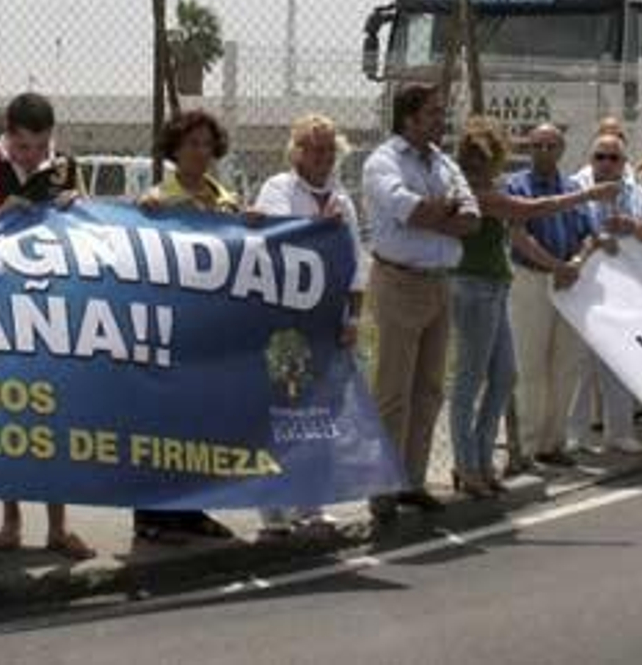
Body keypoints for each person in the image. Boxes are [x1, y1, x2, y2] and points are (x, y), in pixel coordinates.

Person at [0, 92, 93, 562]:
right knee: (9, 419)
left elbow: (85, 233)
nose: (32, 156)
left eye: (40, 146)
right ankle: (10, 521)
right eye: (24, 146)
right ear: (7, 135)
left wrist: (78, 208)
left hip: (51, 307)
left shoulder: (65, 167)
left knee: (55, 419)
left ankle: (58, 526)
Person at [450, 118, 617, 497]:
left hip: (495, 285)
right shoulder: (475, 191)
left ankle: (483, 460)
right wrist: (589, 196)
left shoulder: (491, 186)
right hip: (477, 288)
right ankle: (468, 463)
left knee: (505, 376)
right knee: (471, 381)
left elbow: (581, 230)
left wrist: (574, 260)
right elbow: (530, 211)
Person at [360, 83, 480, 525]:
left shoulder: (444, 163)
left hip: (438, 284)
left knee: (428, 390)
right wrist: (442, 213)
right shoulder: (383, 162)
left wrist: (437, 213)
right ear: (408, 118)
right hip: (399, 282)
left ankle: (412, 481)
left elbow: (472, 219)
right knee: (392, 391)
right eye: (432, 113)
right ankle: (382, 488)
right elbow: (408, 210)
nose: (440, 120)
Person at [250, 113, 366, 537]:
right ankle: (273, 508)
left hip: (329, 319)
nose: (322, 157)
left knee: (320, 412)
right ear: (296, 152)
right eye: (314, 148)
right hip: (284, 319)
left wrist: (354, 317)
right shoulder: (278, 189)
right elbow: (283, 238)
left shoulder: (343, 198)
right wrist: (322, 226)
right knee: (280, 411)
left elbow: (355, 263)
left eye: (329, 150)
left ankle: (310, 504)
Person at [132, 109, 239, 544]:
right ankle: (151, 516)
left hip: (211, 331)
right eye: (191, 143)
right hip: (167, 327)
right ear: (174, 150)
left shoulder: (227, 202)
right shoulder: (156, 200)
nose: (200, 152)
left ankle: (191, 508)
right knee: (161, 424)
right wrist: (145, 215)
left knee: (201, 423)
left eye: (206, 144)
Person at [567, 131, 642, 456]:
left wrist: (632, 227)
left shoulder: (636, 193)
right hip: (584, 284)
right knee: (580, 363)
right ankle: (575, 435)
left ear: (624, 162)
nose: (606, 163)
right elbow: (565, 230)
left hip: (625, 287)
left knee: (620, 360)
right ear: (590, 159)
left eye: (613, 158)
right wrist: (596, 238)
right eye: (600, 156)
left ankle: (619, 433)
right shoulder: (574, 188)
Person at [505, 123, 600, 467]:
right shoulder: (516, 186)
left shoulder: (573, 188)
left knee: (565, 365)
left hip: (569, 283)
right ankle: (528, 447)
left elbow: (590, 235)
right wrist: (555, 266)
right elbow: (518, 235)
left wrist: (575, 263)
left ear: (562, 150)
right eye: (537, 146)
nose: (543, 152)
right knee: (530, 365)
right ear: (528, 149)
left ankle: (554, 443)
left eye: (550, 146)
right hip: (532, 280)